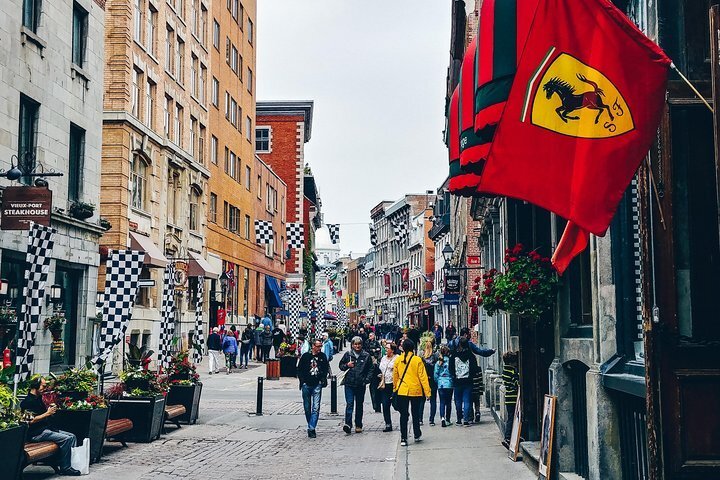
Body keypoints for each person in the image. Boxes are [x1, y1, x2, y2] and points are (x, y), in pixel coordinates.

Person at [21, 376, 81, 476]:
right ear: (36, 386)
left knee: (73, 436)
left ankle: (69, 463)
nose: (45, 388)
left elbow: (42, 414)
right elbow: (30, 421)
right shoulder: (27, 402)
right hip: (36, 433)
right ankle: (65, 468)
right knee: (67, 439)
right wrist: (47, 414)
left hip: (45, 429)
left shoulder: (38, 398)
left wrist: (50, 411)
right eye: (43, 386)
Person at [393, 339, 431, 447]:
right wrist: (427, 392)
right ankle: (417, 433)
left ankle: (404, 437)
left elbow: (395, 376)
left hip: (402, 390)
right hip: (416, 390)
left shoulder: (398, 360)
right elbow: (423, 377)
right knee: (415, 413)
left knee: (403, 415)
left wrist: (395, 389)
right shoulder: (417, 360)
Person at [339, 336, 374, 434]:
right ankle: (348, 424)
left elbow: (371, 369)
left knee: (359, 405)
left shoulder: (366, 355)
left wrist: (366, 380)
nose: (357, 346)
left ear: (361, 345)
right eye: (355, 344)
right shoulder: (348, 354)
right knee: (349, 404)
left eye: (359, 344)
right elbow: (341, 366)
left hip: (360, 384)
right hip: (349, 383)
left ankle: (358, 424)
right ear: (352, 345)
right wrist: (347, 365)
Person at [298, 339, 330, 438]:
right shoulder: (306, 356)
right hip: (306, 384)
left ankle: (311, 428)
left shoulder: (322, 356)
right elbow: (300, 369)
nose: (319, 348)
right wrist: (302, 381)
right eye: (318, 346)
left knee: (316, 407)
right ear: (313, 346)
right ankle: (310, 423)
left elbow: (325, 369)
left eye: (320, 346)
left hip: (317, 384)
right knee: (307, 408)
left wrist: (322, 379)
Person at [449, 337, 478, 426]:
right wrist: (471, 376)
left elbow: (450, 368)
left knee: (458, 401)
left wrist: (454, 376)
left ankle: (458, 419)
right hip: (468, 381)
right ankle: (466, 419)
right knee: (467, 401)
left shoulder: (454, 355)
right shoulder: (471, 355)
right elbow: (475, 368)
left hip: (457, 381)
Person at [502, 351, 520, 448]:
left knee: (511, 417)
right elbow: (516, 383)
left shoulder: (505, 370)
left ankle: (513, 436)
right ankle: (508, 437)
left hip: (508, 397)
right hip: (513, 397)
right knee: (513, 418)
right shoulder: (512, 371)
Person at [378, 342, 398, 432]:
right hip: (385, 384)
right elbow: (381, 369)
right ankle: (388, 424)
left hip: (393, 384)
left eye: (387, 348)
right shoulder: (383, 358)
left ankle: (405, 415)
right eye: (385, 348)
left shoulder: (397, 358)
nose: (385, 349)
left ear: (392, 350)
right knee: (385, 405)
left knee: (396, 404)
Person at [419, 337, 438, 426]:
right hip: (433, 380)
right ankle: (431, 420)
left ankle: (420, 419)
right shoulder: (435, 357)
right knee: (433, 400)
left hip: (423, 380)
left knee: (421, 401)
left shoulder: (422, 358)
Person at [434, 345, 454, 427]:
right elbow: (453, 372)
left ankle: (442, 418)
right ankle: (448, 419)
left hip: (441, 384)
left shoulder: (438, 363)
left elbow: (435, 374)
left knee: (442, 401)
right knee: (448, 402)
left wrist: (438, 381)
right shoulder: (450, 361)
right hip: (449, 383)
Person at [364, 332, 382, 413]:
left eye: (372, 336)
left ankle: (378, 405)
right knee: (373, 388)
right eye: (370, 336)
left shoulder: (376, 342)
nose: (371, 337)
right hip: (371, 360)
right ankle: (376, 406)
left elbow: (379, 349)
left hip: (375, 361)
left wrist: (377, 351)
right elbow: (366, 349)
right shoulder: (367, 342)